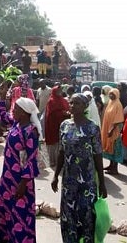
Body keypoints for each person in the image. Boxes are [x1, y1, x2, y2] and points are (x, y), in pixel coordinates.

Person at [51, 93, 107, 243]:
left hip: (87, 181)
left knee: (86, 215)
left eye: (76, 103)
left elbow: (98, 156)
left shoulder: (92, 128)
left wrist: (102, 182)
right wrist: (56, 175)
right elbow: (61, 152)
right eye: (71, 103)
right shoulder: (64, 125)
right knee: (68, 215)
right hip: (69, 181)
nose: (72, 106)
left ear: (85, 106)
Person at [0, 97, 40, 243]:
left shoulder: (30, 131)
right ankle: (5, 238)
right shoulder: (16, 124)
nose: (13, 111)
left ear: (25, 112)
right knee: (2, 207)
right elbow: (0, 114)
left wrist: (23, 183)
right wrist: (1, 97)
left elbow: (31, 159)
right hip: (7, 177)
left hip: (21, 180)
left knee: (20, 213)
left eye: (17, 109)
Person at [44, 85, 70, 168]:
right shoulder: (51, 101)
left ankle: (61, 161)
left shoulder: (64, 100)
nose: (60, 92)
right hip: (53, 125)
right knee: (53, 143)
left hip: (63, 124)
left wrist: (67, 113)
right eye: (58, 91)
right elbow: (51, 113)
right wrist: (62, 113)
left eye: (61, 90)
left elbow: (68, 109)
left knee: (61, 142)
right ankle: (52, 161)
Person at [101, 88, 124, 175]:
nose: (110, 96)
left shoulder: (118, 104)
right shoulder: (110, 103)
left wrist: (111, 130)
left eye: (112, 94)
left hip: (114, 130)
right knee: (110, 148)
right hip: (108, 128)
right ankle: (111, 165)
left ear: (117, 95)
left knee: (115, 148)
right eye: (110, 94)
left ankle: (115, 168)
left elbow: (118, 119)